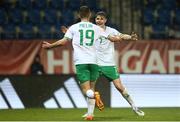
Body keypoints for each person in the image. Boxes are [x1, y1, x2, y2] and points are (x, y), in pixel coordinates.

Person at [42, 6, 110, 121]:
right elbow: (112, 38)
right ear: (90, 15)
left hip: (81, 62)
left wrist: (50, 46)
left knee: (86, 90)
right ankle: (90, 114)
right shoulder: (97, 28)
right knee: (92, 87)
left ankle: (94, 96)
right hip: (94, 62)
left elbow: (63, 42)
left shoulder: (73, 27)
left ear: (79, 15)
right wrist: (122, 38)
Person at [91, 11, 145, 117]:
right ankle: (90, 113)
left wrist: (130, 37)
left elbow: (121, 35)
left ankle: (134, 107)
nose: (99, 20)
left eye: (101, 18)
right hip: (95, 63)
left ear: (105, 20)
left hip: (109, 64)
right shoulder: (91, 30)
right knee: (90, 88)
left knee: (119, 87)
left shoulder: (111, 30)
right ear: (95, 20)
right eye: (97, 18)